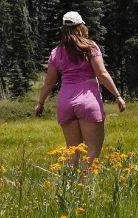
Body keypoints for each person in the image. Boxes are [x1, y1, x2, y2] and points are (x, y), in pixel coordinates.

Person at [34, 10, 126, 170]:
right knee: (92, 151)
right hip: (88, 101)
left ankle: (68, 188)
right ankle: (85, 187)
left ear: (63, 29)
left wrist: (40, 104)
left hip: (65, 103)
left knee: (72, 152)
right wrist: (117, 96)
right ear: (81, 26)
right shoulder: (90, 47)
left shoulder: (56, 53)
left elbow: (48, 83)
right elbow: (102, 74)